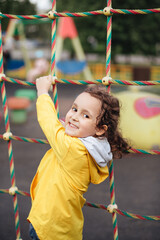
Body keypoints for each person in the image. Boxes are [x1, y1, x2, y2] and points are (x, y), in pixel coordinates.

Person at [27, 75, 130, 240]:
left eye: (86, 116)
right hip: (67, 229)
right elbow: (64, 128)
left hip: (48, 227)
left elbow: (49, 123)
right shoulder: (92, 147)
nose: (74, 117)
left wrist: (42, 91)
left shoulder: (73, 149)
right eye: (74, 109)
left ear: (100, 129)